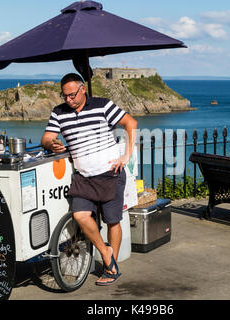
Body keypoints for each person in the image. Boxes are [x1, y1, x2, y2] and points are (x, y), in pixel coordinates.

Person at [41, 73, 137, 285]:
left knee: (113, 221)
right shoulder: (59, 112)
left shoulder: (102, 105)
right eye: (64, 96)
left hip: (111, 173)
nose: (68, 100)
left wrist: (127, 156)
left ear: (83, 89)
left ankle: (111, 270)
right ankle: (105, 253)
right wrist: (52, 144)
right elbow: (47, 137)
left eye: (72, 95)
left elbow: (130, 123)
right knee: (80, 215)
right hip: (83, 177)